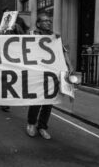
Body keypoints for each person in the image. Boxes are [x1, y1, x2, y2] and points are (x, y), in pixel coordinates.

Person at [26, 12, 73, 140]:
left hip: (52, 73)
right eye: (45, 20)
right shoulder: (31, 35)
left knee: (49, 101)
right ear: (38, 23)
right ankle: (31, 124)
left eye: (49, 21)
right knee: (37, 99)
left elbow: (64, 52)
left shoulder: (55, 37)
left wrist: (69, 66)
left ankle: (42, 126)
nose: (48, 23)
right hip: (37, 73)